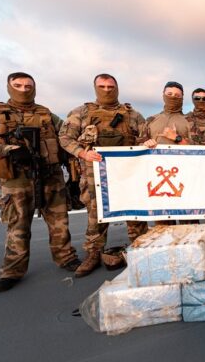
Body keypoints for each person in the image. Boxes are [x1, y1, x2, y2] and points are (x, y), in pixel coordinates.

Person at [0, 72, 80, 293]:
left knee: (60, 223)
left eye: (28, 85)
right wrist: (7, 150)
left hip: (51, 177)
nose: (24, 89)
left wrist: (76, 169)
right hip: (16, 180)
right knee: (17, 227)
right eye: (17, 85)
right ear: (9, 87)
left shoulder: (46, 114)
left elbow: (67, 137)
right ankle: (12, 271)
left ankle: (66, 258)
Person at [59, 73, 149, 277]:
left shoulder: (132, 114)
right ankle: (93, 254)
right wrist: (82, 152)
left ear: (117, 88)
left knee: (134, 213)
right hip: (94, 176)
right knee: (96, 216)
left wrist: (146, 144)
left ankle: (141, 249)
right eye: (102, 86)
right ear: (95, 88)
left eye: (111, 86)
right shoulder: (81, 112)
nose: (107, 90)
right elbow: (65, 138)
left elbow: (145, 137)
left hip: (127, 174)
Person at [143, 81, 191, 226]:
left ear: (182, 97)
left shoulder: (190, 120)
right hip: (158, 178)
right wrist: (145, 144)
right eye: (169, 94)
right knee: (163, 227)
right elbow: (138, 144)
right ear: (163, 95)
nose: (173, 97)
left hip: (185, 177)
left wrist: (177, 138)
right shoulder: (151, 120)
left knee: (187, 226)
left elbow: (200, 149)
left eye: (177, 95)